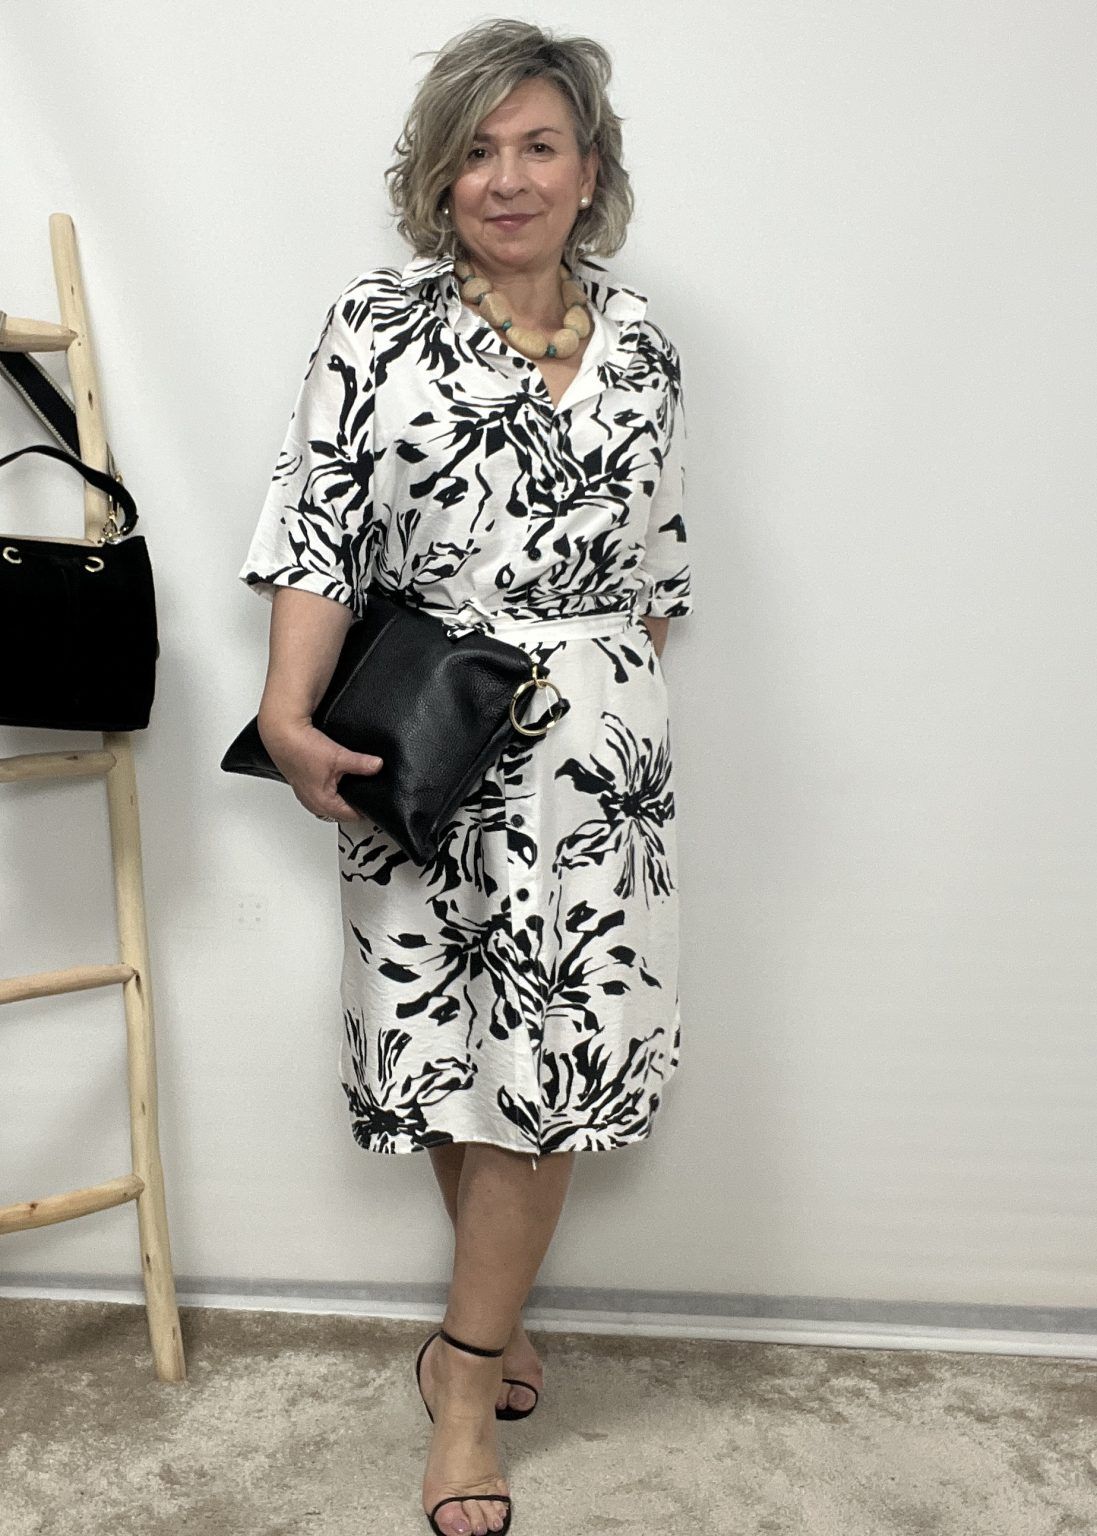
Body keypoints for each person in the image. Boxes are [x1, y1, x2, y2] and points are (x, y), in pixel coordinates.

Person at [236, 19, 694, 1536]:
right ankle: (480, 1331)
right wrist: (287, 712)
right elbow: (317, 527)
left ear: (589, 171)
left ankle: (463, 1376)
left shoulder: (646, 346)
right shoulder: (376, 324)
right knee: (447, 1051)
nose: (508, 177)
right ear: (437, 178)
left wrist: (605, 720)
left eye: (539, 145)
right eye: (477, 150)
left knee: (550, 1076)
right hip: (427, 735)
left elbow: (656, 572)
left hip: (594, 768)